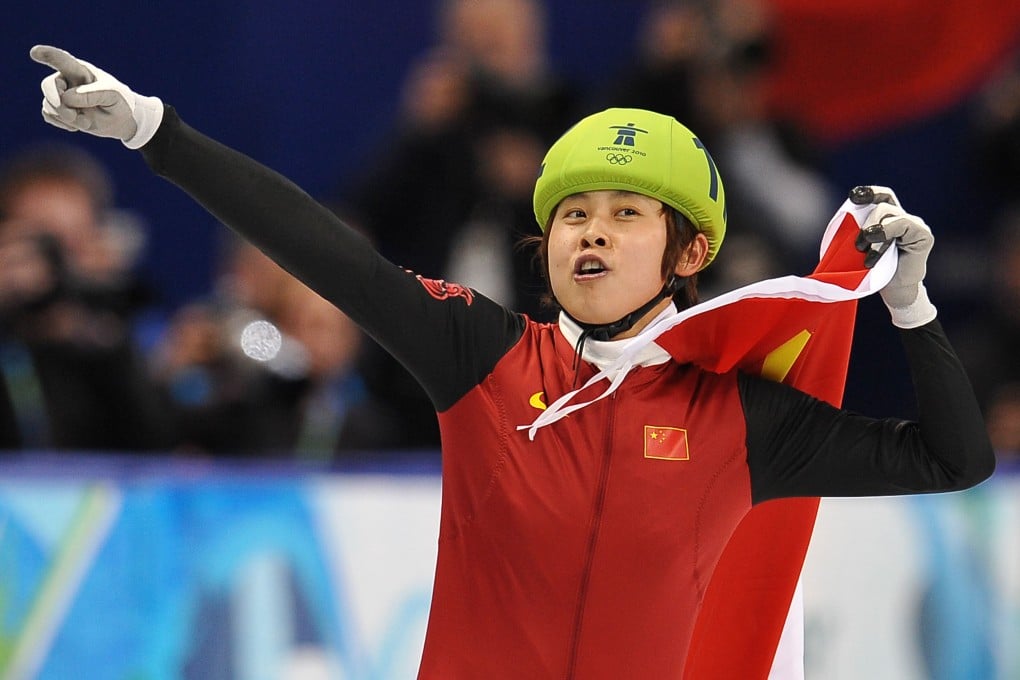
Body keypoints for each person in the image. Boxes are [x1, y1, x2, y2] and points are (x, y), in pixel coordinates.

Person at [29, 45, 995, 678]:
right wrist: (158, 132)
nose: (592, 234)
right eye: (573, 212)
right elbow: (328, 254)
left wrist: (910, 306)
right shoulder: (484, 356)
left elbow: (954, 461)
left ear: (688, 252)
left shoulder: (739, 420)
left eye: (626, 215)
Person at [0, 141, 175, 451]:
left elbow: (157, 450)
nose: (58, 265)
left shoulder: (119, 340)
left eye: (74, 244)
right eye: (45, 244)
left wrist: (106, 329)